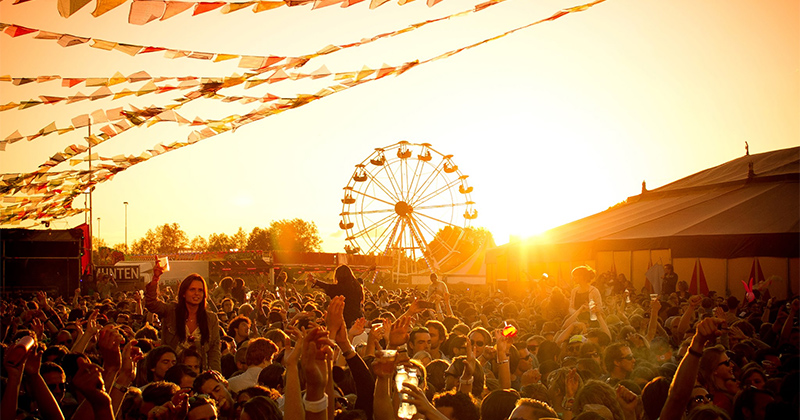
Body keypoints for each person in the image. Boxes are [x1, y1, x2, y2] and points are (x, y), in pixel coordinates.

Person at [145, 263, 221, 372]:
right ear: (184, 293)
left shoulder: (211, 318)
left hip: (199, 373)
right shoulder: (171, 311)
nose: (196, 294)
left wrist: (216, 374)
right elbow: (151, 303)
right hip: (172, 372)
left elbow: (214, 351)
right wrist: (156, 278)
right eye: (192, 289)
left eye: (200, 290)